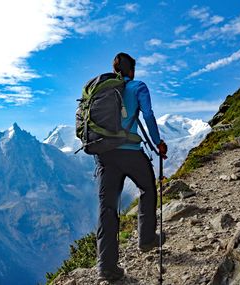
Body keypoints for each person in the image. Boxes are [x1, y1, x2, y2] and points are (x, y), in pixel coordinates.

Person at [95, 52, 168, 281]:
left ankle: (106, 267)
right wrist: (158, 144)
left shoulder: (102, 91)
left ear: (115, 70)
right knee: (147, 188)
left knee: (107, 208)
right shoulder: (138, 87)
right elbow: (148, 115)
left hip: (105, 155)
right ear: (131, 70)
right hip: (131, 154)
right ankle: (146, 239)